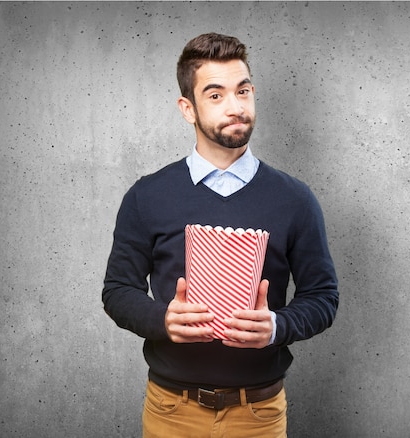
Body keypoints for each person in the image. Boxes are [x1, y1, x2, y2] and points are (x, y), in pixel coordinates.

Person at [102, 32, 339, 437]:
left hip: (259, 415)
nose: (235, 106)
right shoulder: (147, 196)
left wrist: (276, 328)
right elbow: (117, 291)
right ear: (187, 108)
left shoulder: (295, 199)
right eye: (215, 95)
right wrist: (163, 319)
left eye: (243, 91)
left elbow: (323, 297)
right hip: (171, 411)